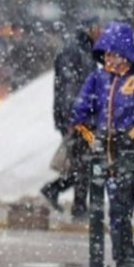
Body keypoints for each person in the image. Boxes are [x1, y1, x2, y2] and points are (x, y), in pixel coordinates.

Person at [71, 21, 134, 267]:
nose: (110, 60)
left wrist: (132, 135)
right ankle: (125, 264)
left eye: (114, 53)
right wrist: (94, 139)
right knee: (117, 216)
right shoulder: (97, 79)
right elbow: (79, 115)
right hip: (111, 163)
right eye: (106, 54)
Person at [40, 15, 101, 220]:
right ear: (90, 28)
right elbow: (68, 88)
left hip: (81, 116)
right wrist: (71, 119)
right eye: (98, 28)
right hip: (76, 118)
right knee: (83, 161)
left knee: (82, 162)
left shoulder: (86, 50)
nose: (100, 33)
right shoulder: (75, 51)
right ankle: (78, 206)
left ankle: (55, 191)